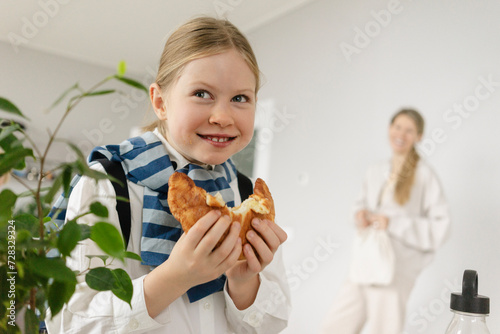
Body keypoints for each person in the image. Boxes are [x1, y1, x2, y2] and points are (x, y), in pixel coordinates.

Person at [46, 17, 291, 333]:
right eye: (202, 93)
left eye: (240, 98)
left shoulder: (246, 194)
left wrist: (244, 283)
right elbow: (69, 325)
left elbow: (271, 325)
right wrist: (175, 276)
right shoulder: (107, 183)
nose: (222, 116)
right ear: (160, 101)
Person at [321, 109, 451, 334]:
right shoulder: (375, 171)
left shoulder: (424, 175)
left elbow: (441, 226)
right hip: (365, 262)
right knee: (335, 326)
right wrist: (359, 215)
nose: (401, 134)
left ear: (419, 136)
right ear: (390, 129)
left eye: (409, 130)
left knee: (384, 329)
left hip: (395, 270)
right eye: (398, 127)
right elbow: (359, 204)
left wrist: (393, 223)